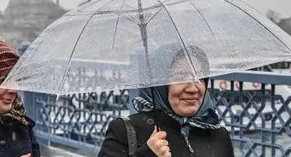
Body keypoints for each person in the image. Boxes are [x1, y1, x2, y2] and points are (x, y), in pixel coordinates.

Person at [97, 44, 235, 157]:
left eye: (199, 77)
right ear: (160, 84)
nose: (193, 88)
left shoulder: (219, 135)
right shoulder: (124, 131)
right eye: (181, 77)